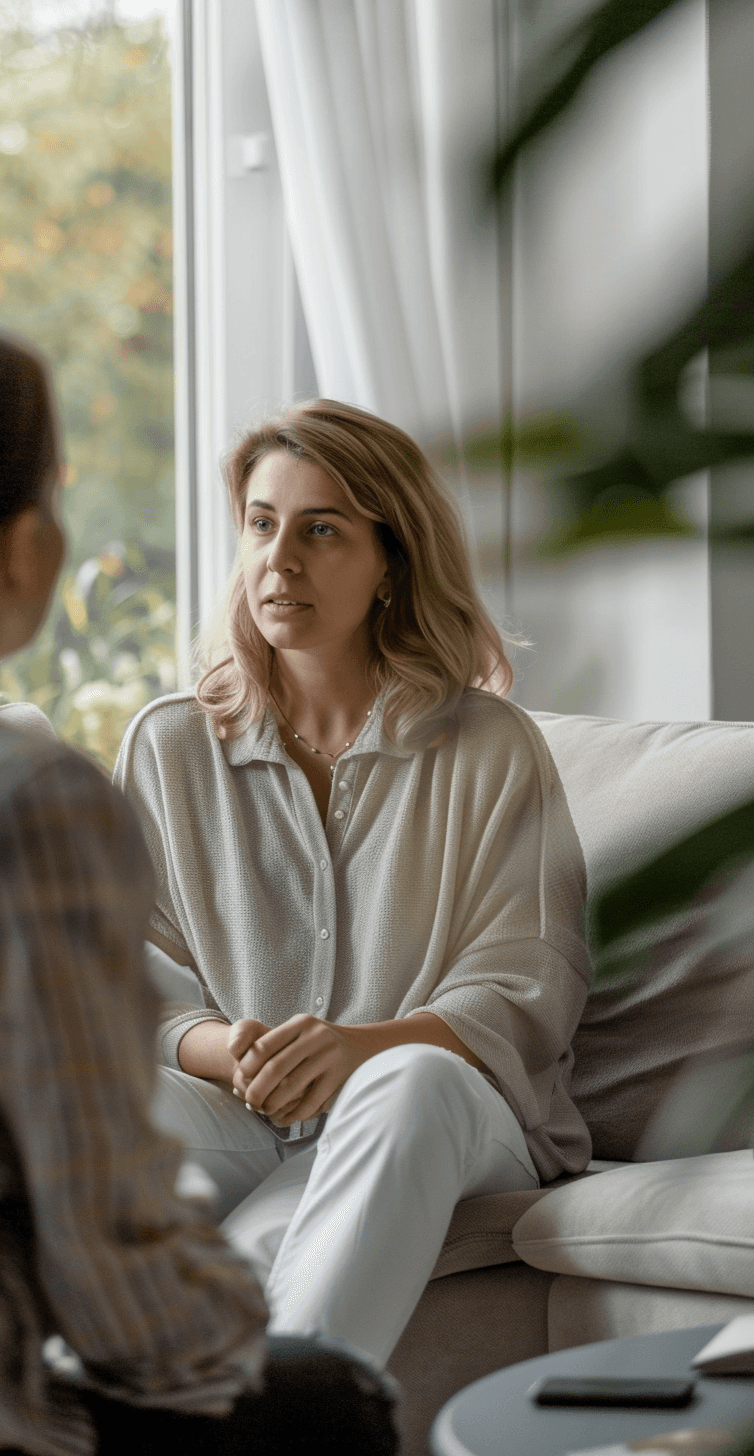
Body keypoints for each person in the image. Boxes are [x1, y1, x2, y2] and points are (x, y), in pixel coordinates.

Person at [0, 315, 398, 1456]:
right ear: (15, 549)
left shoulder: (483, 751)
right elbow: (110, 1245)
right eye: (48, 495)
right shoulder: (18, 798)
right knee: (328, 1401)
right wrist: (245, 1333)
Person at [114, 397, 593, 1367]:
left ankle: (291, 1421)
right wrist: (230, 1049)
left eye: (321, 529)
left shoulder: (489, 746)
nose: (278, 562)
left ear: (391, 560)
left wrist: (360, 1047)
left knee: (407, 1079)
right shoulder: (171, 743)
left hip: (456, 1113)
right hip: (247, 1114)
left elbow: (530, 986)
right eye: (261, 524)